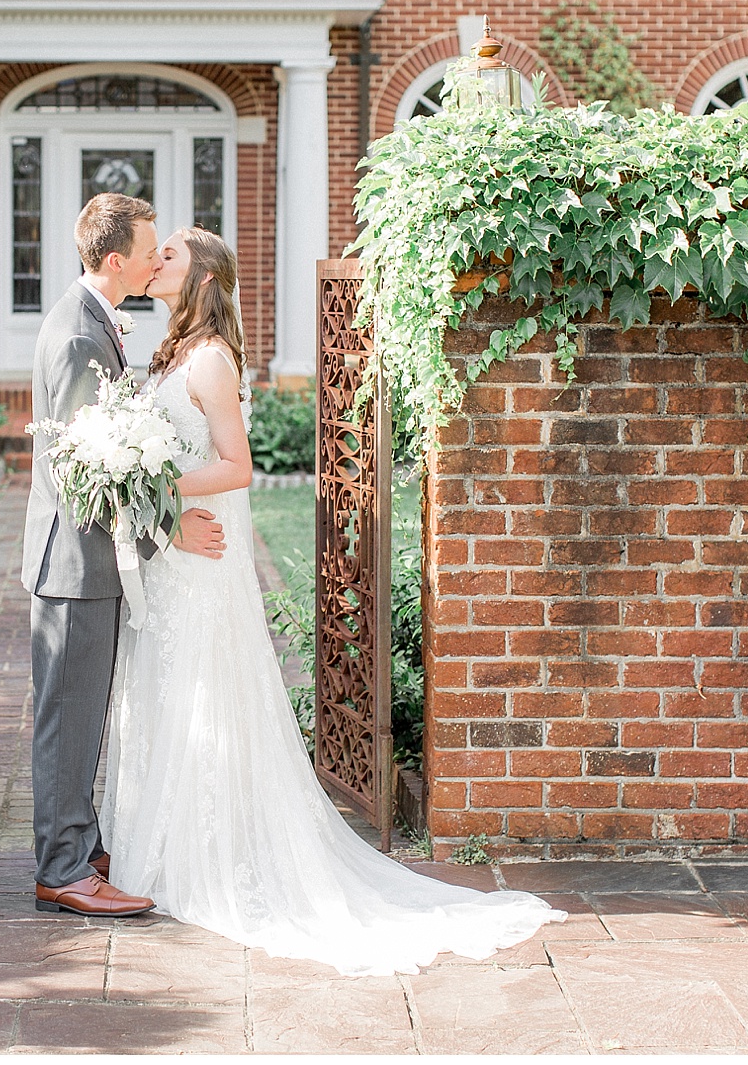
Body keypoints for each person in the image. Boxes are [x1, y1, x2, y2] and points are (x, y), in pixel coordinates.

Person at [99, 226, 567, 975]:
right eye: (156, 255)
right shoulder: (171, 352)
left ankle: (203, 852)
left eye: (170, 257)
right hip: (173, 553)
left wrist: (152, 491)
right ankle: (156, 839)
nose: (155, 262)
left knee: (199, 688)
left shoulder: (212, 360)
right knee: (164, 690)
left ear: (206, 281)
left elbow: (237, 467)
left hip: (202, 555)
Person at [21, 193, 225, 918]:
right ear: (116, 260)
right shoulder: (80, 335)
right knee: (69, 720)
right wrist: (168, 528)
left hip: (83, 561)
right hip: (76, 564)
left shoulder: (92, 322)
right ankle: (64, 867)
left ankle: (81, 843)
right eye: (146, 251)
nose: (153, 261)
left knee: (79, 715)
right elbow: (90, 470)